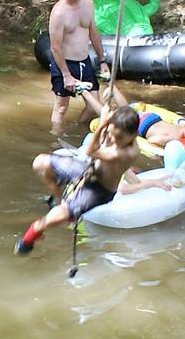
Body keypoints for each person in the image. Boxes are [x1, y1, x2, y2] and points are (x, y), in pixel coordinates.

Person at [15, 106, 158, 253]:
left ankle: (31, 237)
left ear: (133, 135)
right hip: (90, 169)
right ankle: (60, 200)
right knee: (40, 162)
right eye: (111, 133)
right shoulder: (119, 135)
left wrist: (102, 123)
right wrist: (106, 121)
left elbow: (91, 151)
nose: (114, 139)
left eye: (119, 137)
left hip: (100, 190)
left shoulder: (126, 152)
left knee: (51, 219)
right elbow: (100, 146)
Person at [46, 0, 111, 139]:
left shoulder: (88, 4)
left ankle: (77, 130)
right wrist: (66, 75)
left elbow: (93, 33)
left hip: (84, 61)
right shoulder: (59, 12)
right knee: (61, 107)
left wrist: (102, 60)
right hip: (64, 63)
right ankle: (55, 140)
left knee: (93, 107)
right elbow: (55, 47)